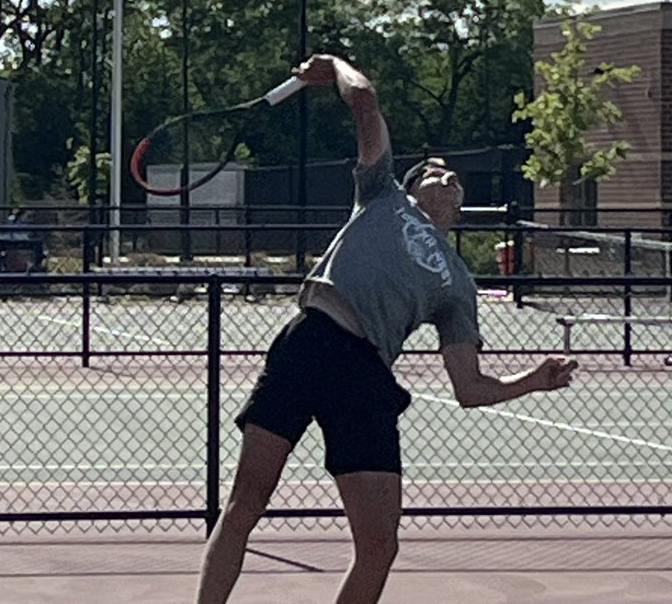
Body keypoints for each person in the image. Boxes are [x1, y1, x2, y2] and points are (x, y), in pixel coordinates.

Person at [194, 54, 577, 604]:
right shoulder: (382, 194)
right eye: (436, 173)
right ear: (413, 186)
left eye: (456, 178)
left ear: (460, 204)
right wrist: (333, 65)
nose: (449, 178)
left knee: (379, 546)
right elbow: (365, 99)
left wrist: (533, 381)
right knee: (244, 506)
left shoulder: (458, 282)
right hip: (311, 341)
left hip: (365, 376)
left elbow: (469, 388)